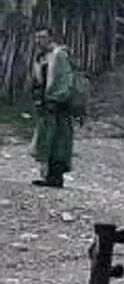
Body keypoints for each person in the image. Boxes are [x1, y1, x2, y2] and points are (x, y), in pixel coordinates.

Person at [30, 29, 76, 188]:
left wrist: (57, 99)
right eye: (37, 37)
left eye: (42, 37)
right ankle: (48, 175)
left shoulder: (59, 56)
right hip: (46, 105)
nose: (38, 40)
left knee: (59, 141)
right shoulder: (40, 58)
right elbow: (38, 81)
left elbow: (65, 79)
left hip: (59, 106)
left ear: (50, 38)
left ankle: (57, 176)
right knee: (45, 140)